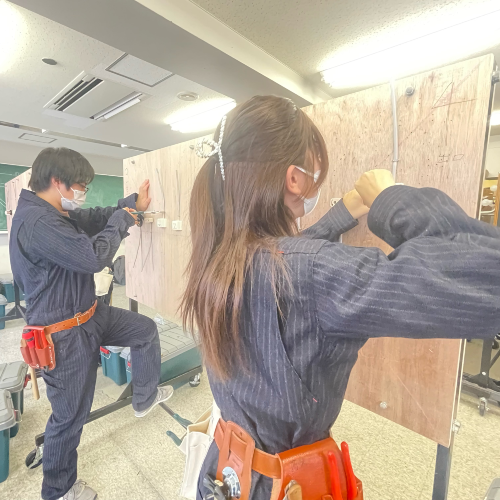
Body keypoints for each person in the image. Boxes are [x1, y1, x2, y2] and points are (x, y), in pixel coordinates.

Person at [181, 95, 500, 499]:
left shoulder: (219, 254)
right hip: (286, 487)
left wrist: (343, 213)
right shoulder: (307, 274)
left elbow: (292, 259)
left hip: (227, 474)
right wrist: (393, 197)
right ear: (294, 179)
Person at [9, 147, 174, 500]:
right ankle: (59, 490)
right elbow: (91, 257)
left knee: (144, 331)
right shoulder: (38, 222)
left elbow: (94, 216)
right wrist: (124, 220)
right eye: (79, 186)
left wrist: (129, 205)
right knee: (69, 418)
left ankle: (143, 398)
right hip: (64, 333)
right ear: (57, 182)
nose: (82, 193)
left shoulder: (52, 210)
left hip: (89, 315)